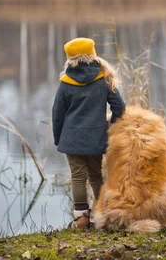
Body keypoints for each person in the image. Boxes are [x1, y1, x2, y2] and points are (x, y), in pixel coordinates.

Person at [52, 37, 126, 229]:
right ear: (93, 55)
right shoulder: (103, 79)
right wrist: (112, 126)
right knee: (95, 176)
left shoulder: (66, 83)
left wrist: (58, 137)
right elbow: (119, 107)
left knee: (78, 177)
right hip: (96, 137)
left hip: (71, 138)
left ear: (70, 58)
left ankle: (82, 219)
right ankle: (104, 213)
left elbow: (57, 115)